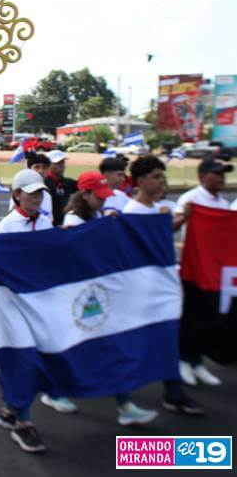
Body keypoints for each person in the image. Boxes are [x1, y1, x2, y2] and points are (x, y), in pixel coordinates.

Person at [44, 171, 159, 425]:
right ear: (85, 194)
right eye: (99, 196)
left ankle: (125, 404)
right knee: (73, 347)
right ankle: (54, 392)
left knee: (111, 345)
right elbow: (80, 254)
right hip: (78, 296)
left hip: (98, 292)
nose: (104, 200)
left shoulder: (97, 215)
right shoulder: (73, 219)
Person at [122, 155, 204, 415]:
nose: (162, 182)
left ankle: (173, 391)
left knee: (168, 336)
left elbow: (160, 235)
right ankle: (122, 397)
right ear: (142, 180)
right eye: (157, 177)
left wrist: (177, 220)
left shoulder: (158, 210)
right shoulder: (132, 212)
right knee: (134, 343)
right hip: (141, 289)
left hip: (162, 286)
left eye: (163, 177)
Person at [0, 169, 52, 452]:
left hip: (39, 305)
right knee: (22, 362)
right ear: (17, 195)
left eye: (41, 193)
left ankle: (10, 409)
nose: (38, 198)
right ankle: (23, 423)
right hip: (13, 306)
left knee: (34, 361)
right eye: (32, 193)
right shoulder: (7, 226)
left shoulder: (46, 222)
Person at [173, 156, 233, 387]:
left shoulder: (223, 205)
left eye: (223, 173)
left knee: (209, 317)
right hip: (194, 267)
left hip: (216, 271)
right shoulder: (190, 199)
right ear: (202, 176)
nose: (221, 177)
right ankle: (184, 360)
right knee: (191, 316)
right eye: (216, 173)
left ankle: (197, 362)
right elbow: (177, 224)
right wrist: (185, 215)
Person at [8, 152, 52, 217]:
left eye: (44, 168)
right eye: (37, 167)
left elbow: (50, 219)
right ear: (29, 168)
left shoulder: (47, 195)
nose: (41, 171)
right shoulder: (21, 193)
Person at [44, 150, 77, 226]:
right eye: (58, 163)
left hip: (65, 225)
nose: (61, 165)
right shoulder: (44, 183)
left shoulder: (68, 182)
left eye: (62, 162)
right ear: (49, 164)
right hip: (49, 226)